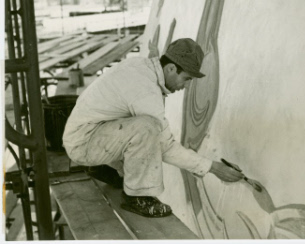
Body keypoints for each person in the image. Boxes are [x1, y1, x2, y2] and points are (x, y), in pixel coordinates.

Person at [63, 38, 243, 218]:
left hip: (89, 135)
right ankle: (138, 197)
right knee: (148, 128)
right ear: (171, 68)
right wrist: (212, 167)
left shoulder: (141, 67)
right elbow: (165, 146)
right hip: (84, 144)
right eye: (186, 78)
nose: (186, 86)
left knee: (142, 127)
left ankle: (105, 168)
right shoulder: (145, 89)